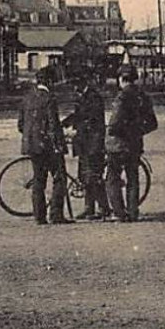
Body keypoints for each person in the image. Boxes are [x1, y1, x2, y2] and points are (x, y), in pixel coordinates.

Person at [17, 67, 70, 225]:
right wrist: (60, 144)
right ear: (49, 81)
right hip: (48, 145)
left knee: (39, 179)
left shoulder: (27, 98)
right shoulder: (49, 99)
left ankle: (39, 216)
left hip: (32, 146)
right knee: (60, 177)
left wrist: (32, 136)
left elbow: (20, 125)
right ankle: (56, 214)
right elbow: (54, 125)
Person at [105, 66, 155, 222]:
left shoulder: (121, 97)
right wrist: (136, 132)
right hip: (134, 144)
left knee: (112, 178)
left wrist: (114, 131)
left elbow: (114, 124)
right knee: (133, 178)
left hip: (118, 145)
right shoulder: (143, 97)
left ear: (121, 79)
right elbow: (152, 123)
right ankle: (133, 212)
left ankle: (119, 213)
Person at [63, 75, 109, 220]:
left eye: (76, 84)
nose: (74, 87)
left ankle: (103, 208)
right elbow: (77, 115)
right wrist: (63, 124)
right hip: (84, 142)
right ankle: (89, 209)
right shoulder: (81, 97)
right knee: (85, 177)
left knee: (94, 176)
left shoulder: (94, 97)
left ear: (83, 82)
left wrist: (76, 129)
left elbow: (91, 119)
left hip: (93, 143)